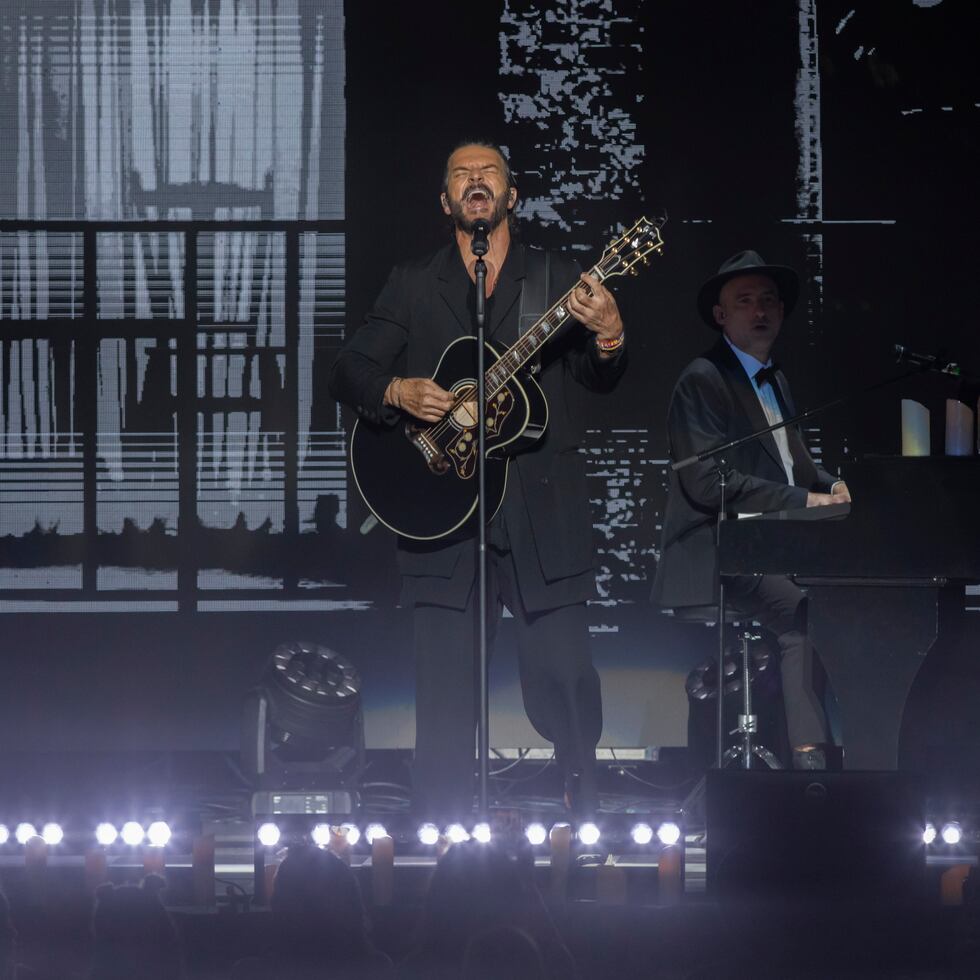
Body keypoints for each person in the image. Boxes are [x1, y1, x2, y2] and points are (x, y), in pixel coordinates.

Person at [329, 140, 627, 816]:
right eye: (460, 173)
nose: (475, 181)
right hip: (439, 513)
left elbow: (597, 377)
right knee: (443, 698)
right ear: (446, 202)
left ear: (511, 196)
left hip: (541, 513)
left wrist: (608, 333)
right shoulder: (413, 282)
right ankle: (442, 839)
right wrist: (398, 391)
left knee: (569, 681)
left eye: (488, 171)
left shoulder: (554, 277)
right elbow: (348, 370)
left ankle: (583, 818)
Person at [652, 250, 849, 768]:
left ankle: (848, 746)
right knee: (803, 614)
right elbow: (706, 481)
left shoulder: (774, 380)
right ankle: (811, 759)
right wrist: (807, 500)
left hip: (773, 546)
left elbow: (798, 467)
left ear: (781, 313)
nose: (759, 311)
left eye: (768, 301)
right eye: (745, 302)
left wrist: (839, 486)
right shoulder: (703, 377)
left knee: (843, 601)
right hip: (716, 549)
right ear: (721, 315)